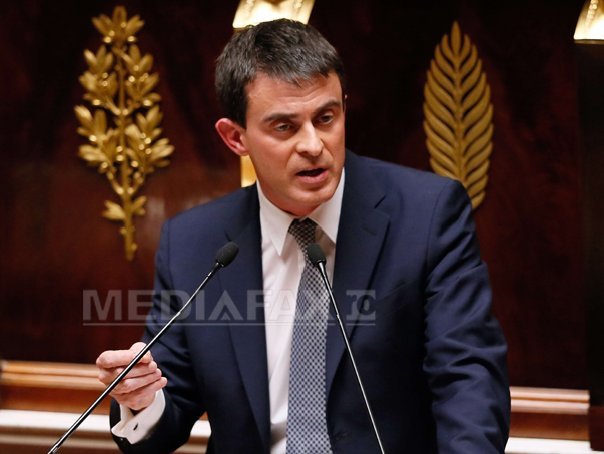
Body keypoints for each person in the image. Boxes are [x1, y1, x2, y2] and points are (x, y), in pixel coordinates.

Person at [96, 18, 510, 453]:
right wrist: (141, 399)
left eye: (326, 118)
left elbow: (468, 379)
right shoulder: (194, 244)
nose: (313, 145)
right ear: (235, 137)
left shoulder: (426, 215)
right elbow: (169, 404)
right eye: (285, 127)